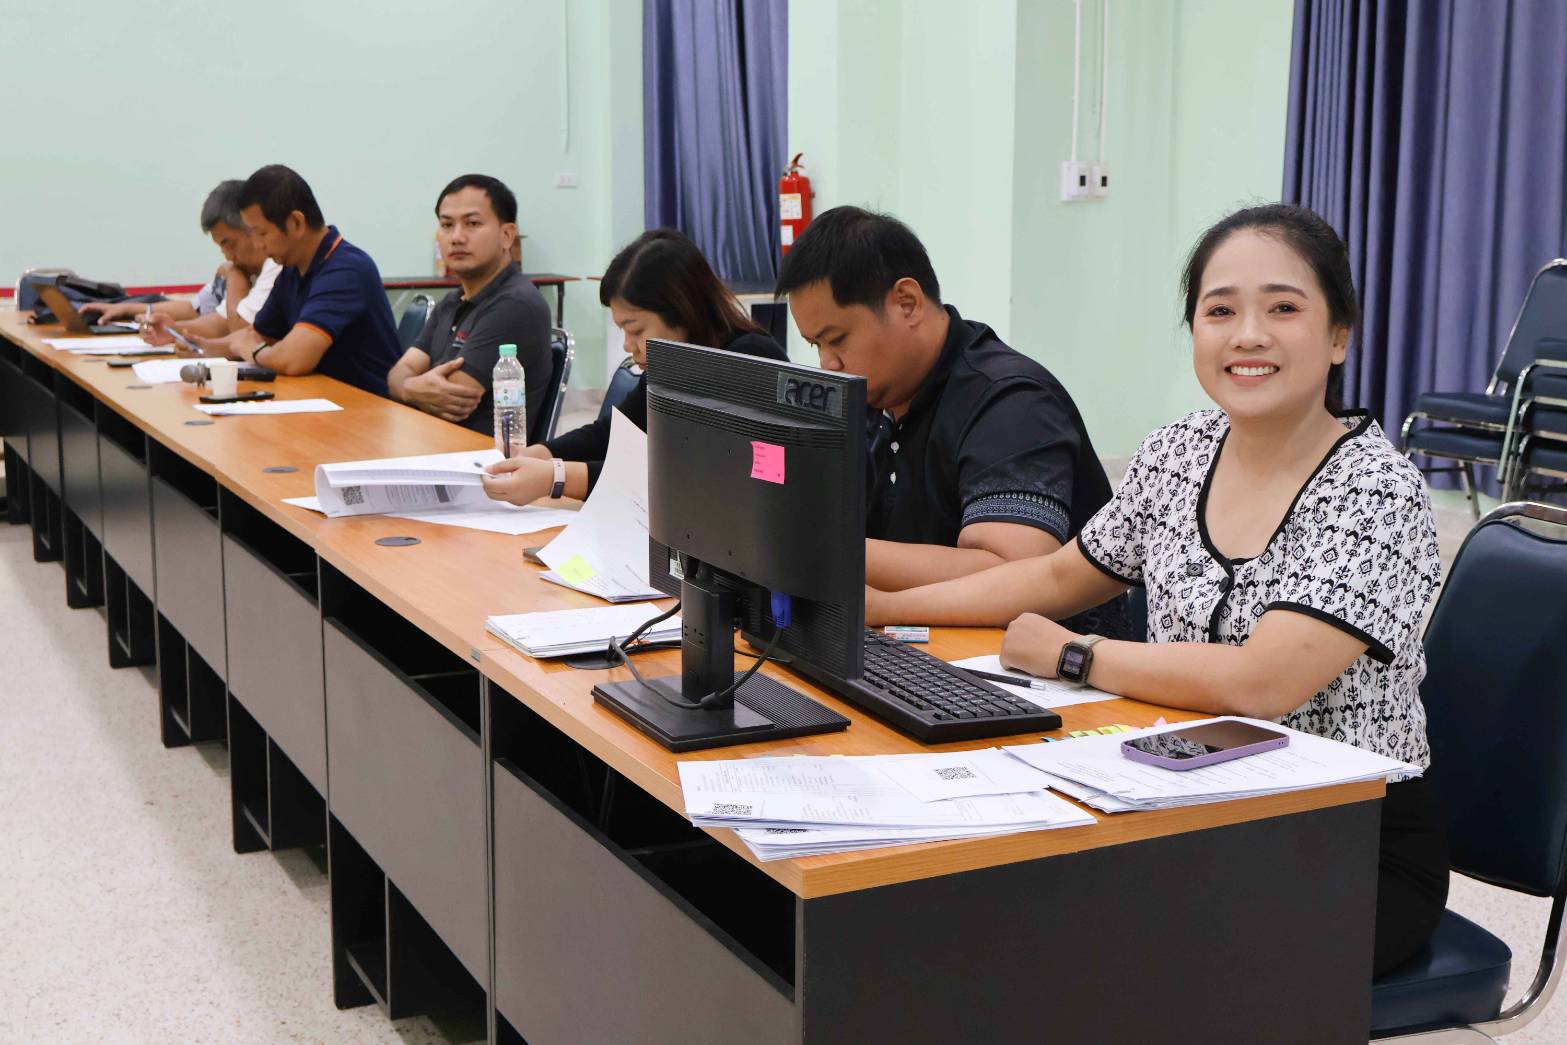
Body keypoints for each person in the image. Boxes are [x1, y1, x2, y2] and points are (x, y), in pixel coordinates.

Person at [866, 203, 1447, 976]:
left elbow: (1262, 681)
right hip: (1184, 799)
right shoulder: (1178, 452)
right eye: (1219, 311)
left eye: (1282, 308)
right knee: (970, 898)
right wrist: (883, 608)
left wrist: (1075, 654)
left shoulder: (1376, 491)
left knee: (1081, 952)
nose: (1247, 334)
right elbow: (1054, 575)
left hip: (1343, 842)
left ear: (1338, 335)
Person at [775, 206, 1123, 637]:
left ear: (907, 302)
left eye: (837, 340)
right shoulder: (873, 399)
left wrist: (825, 548)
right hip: (917, 648)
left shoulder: (1011, 402)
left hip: (1043, 667)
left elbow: (1014, 572)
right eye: (816, 345)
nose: (828, 364)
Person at [481, 229, 785, 505]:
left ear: (684, 312)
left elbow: (690, 475)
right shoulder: (673, 363)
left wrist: (556, 477)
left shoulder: (749, 360)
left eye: (636, 330)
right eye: (623, 331)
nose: (628, 345)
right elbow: (613, 434)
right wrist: (540, 454)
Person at [192, 165, 401, 397]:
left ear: (296, 223)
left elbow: (293, 359)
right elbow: (255, 335)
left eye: (262, 233)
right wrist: (203, 348)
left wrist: (255, 352)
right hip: (322, 399)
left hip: (368, 406)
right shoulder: (291, 270)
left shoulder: (347, 269)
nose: (259, 245)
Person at [387, 174, 552, 434]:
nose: (456, 237)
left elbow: (450, 399)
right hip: (433, 438)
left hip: (475, 452)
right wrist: (409, 387)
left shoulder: (516, 305)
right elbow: (399, 373)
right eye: (447, 225)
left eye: (472, 223)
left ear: (507, 235)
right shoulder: (452, 301)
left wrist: (407, 387)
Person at [83, 180, 280, 338]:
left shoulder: (274, 266)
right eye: (221, 247)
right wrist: (127, 309)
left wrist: (234, 276)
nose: (227, 255)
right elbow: (197, 309)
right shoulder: (244, 267)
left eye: (230, 244)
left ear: (253, 229)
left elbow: (236, 329)